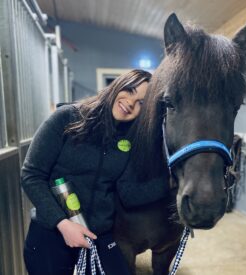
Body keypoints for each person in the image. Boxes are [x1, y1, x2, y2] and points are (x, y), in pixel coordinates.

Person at [21, 69, 152, 275]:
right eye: (130, 90)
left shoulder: (130, 139)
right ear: (117, 85)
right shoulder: (67, 118)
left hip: (97, 234)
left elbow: (128, 191)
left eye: (142, 102)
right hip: (51, 231)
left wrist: (174, 188)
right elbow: (31, 175)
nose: (131, 103)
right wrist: (63, 225)